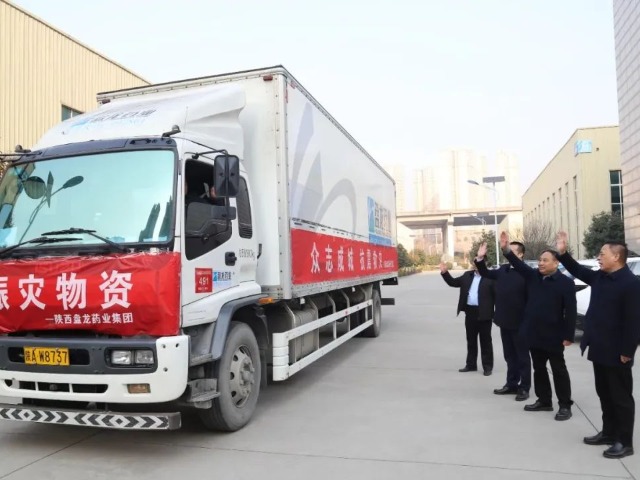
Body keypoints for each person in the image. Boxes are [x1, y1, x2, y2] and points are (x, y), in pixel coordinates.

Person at [556, 231, 640, 459]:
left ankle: (625, 442)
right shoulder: (600, 277)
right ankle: (609, 433)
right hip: (599, 347)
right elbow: (578, 270)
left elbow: (634, 321)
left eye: (602, 254)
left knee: (621, 398)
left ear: (617, 257)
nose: (598, 258)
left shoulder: (631, 284)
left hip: (618, 351)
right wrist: (563, 253)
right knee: (604, 393)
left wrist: (627, 351)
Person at [499, 231, 576, 421]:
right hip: (534, 334)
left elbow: (571, 312)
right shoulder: (533, 276)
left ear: (556, 263)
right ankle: (544, 401)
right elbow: (518, 264)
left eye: (545, 260)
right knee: (539, 369)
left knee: (558, 371)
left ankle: (565, 405)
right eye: (540, 260)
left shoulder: (565, 283)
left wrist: (568, 335)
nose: (541, 263)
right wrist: (506, 249)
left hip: (554, 336)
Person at [475, 241, 530, 401]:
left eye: (511, 251)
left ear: (521, 254)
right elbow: (485, 273)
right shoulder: (503, 270)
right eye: (507, 250)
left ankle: (524, 387)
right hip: (504, 320)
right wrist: (480, 258)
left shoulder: (526, 272)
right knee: (509, 356)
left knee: (522, 358)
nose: (508, 254)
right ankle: (511, 384)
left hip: (521, 322)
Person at [440, 261, 495, 375]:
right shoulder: (467, 275)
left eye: (479, 262)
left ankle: (487, 367)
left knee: (485, 341)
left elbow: (498, 295)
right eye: (475, 263)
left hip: (485, 313)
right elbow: (453, 282)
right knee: (471, 340)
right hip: (470, 312)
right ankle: (471, 365)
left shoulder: (491, 278)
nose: (476, 265)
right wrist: (445, 273)